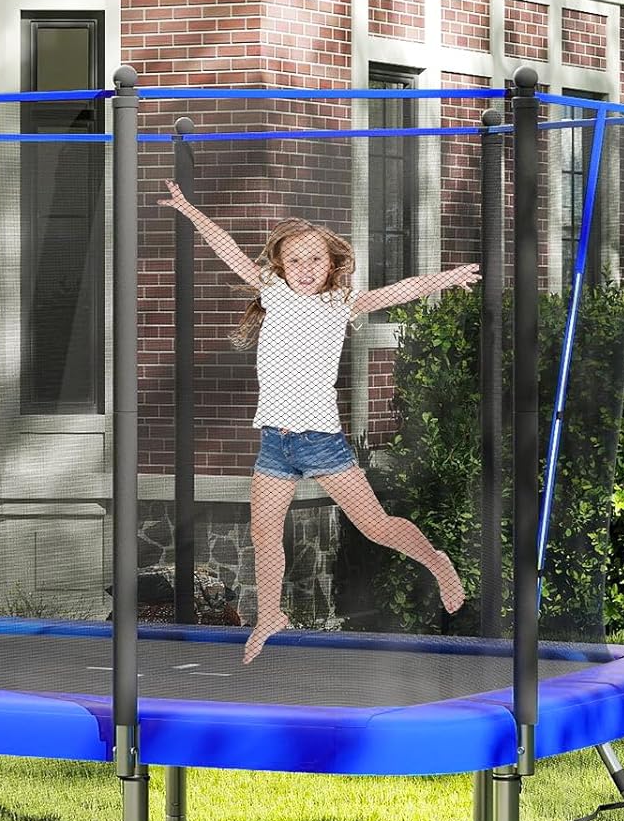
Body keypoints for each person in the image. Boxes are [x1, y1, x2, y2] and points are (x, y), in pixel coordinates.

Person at [161, 181, 478, 663]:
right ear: (279, 266)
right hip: (275, 442)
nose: (305, 270)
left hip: (321, 442)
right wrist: (190, 209)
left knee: (375, 525)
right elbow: (226, 246)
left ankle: (438, 564)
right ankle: (271, 614)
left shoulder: (339, 304)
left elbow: (398, 291)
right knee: (263, 533)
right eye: (295, 261)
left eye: (315, 260)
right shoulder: (271, 293)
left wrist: (446, 278)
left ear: (332, 264)